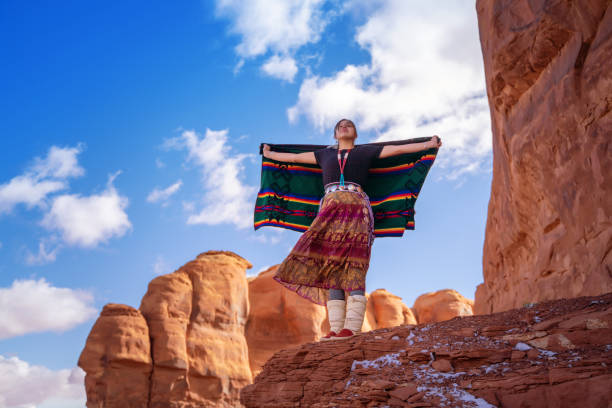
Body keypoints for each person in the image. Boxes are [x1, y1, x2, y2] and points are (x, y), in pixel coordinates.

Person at [262, 119, 442, 341]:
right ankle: (336, 329)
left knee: (354, 265)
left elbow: (398, 150)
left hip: (357, 209)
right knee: (331, 268)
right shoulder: (324, 155)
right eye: (340, 126)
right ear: (335, 134)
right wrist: (270, 154)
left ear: (355, 133)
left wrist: (428, 144)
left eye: (349, 125)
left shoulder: (366, 152)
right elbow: (295, 158)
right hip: (328, 211)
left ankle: (352, 329)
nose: (344, 127)